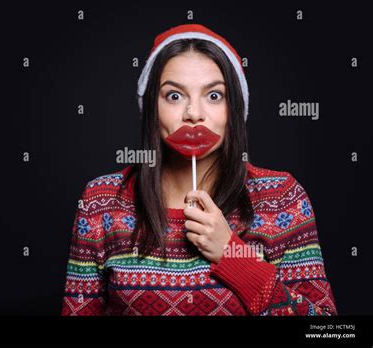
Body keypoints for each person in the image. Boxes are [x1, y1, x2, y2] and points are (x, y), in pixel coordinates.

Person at [61, 24, 337, 316]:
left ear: (234, 109)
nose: (193, 113)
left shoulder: (281, 197)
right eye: (174, 96)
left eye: (214, 96)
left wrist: (233, 256)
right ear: (151, 107)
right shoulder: (100, 201)